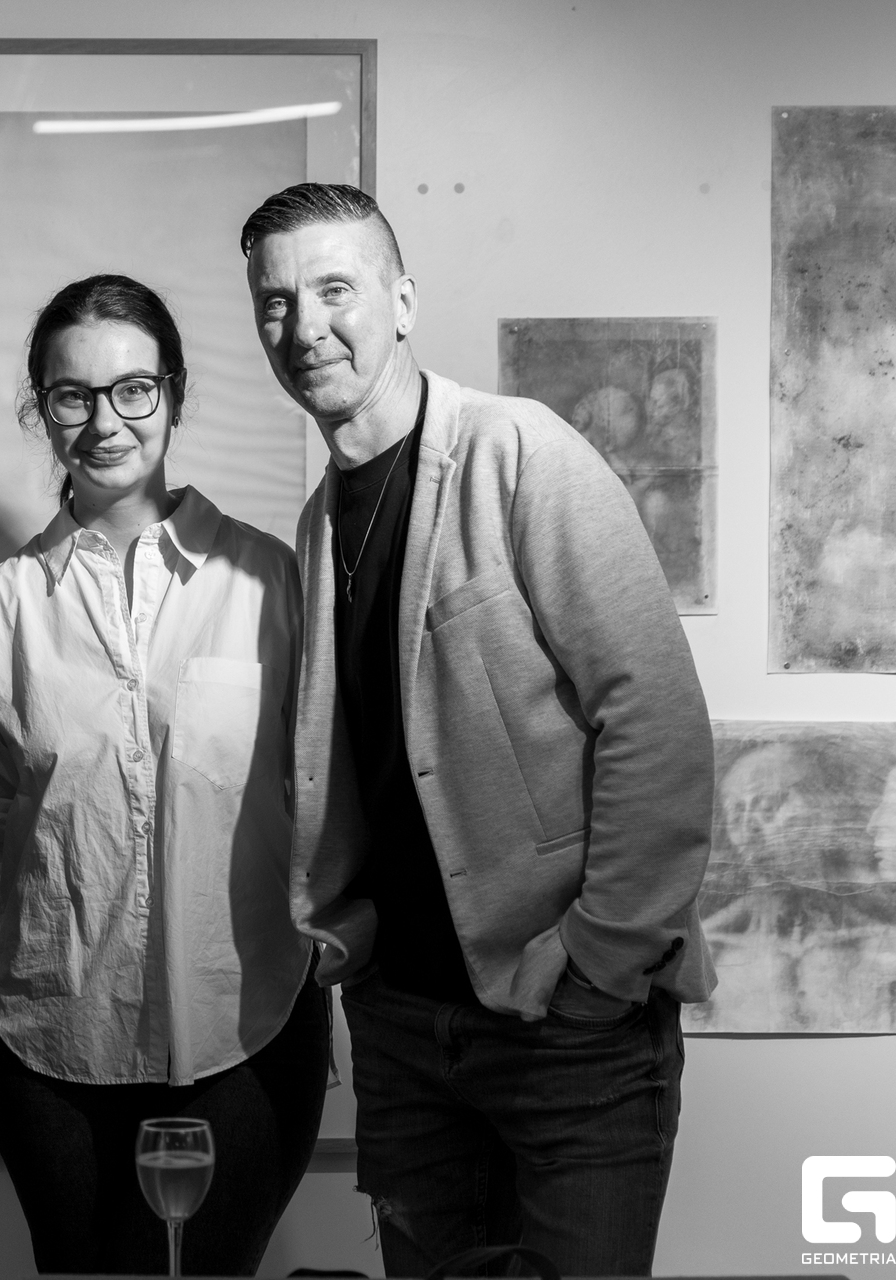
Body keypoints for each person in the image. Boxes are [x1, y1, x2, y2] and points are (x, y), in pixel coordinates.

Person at [242, 183, 715, 1276]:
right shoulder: (317, 521)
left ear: (403, 303)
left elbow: (655, 720)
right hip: (405, 1031)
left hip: (567, 1031)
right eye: (275, 302)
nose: (306, 327)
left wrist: (601, 965)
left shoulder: (520, 452)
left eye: (335, 289)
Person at [0, 275, 327, 1276]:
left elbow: (320, 789)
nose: (105, 421)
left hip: (244, 1024)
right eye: (72, 395)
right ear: (42, 408)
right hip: (53, 1033)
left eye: (133, 389)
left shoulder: (270, 581)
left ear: (175, 394)